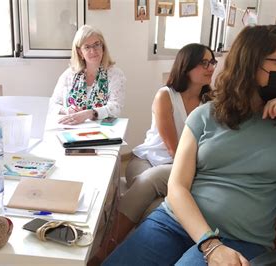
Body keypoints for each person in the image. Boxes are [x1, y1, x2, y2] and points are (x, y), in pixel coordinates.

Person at [104, 25, 276, 265]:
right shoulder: (204, 115)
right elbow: (177, 187)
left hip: (241, 240)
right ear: (250, 63)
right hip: (176, 223)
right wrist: (209, 243)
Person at [90, 43, 216, 263]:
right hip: (147, 161)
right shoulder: (165, 96)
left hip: (180, 168)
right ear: (186, 66)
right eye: (203, 63)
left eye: (212, 62)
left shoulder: (211, 103)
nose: (211, 67)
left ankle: (126, 251)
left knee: (155, 207)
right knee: (147, 182)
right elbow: (173, 148)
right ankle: (107, 247)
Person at [50, 25, 126, 125]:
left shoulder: (115, 75)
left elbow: (116, 107)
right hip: (72, 130)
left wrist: (89, 114)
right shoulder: (69, 75)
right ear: (80, 52)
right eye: (87, 47)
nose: (93, 51)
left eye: (96, 45)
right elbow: (52, 105)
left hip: (103, 131)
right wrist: (67, 110)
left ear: (103, 47)